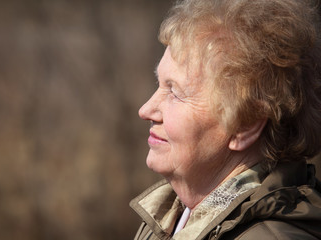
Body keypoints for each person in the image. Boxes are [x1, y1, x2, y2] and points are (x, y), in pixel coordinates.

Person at [130, 0, 321, 239]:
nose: (146, 110)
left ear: (245, 125)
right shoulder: (173, 215)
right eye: (159, 84)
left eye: (175, 92)